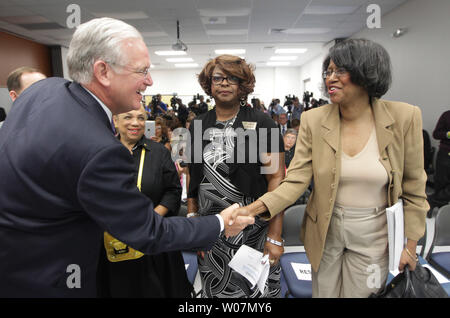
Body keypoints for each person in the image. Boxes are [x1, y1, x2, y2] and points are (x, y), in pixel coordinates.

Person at [0, 17, 253, 298]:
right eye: (142, 70)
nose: (150, 80)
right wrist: (220, 222)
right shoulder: (98, 150)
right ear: (103, 71)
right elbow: (148, 232)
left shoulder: (42, 91)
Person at [231, 39, 429, 298]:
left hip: (374, 233)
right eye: (328, 72)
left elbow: (414, 190)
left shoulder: (404, 117)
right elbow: (295, 182)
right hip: (324, 230)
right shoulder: (314, 119)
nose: (330, 79)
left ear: (366, 72)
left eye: (340, 71)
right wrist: (251, 209)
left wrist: (410, 247)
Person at [187, 54, 285, 298]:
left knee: (254, 297)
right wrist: (193, 220)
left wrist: (275, 236)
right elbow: (192, 179)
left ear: (243, 85)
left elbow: (277, 182)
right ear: (209, 84)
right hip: (212, 232)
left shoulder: (263, 124)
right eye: (217, 78)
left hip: (254, 231)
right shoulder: (198, 125)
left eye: (232, 78)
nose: (223, 83)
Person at [97, 105, 192, 297]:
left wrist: (153, 218)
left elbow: (173, 191)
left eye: (141, 118)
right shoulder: (102, 152)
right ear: (115, 120)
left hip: (154, 238)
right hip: (113, 241)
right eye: (128, 117)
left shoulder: (158, 152)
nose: (135, 123)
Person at [431, 110, 450, 206]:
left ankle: (433, 201)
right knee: (441, 182)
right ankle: (438, 208)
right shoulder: (446, 115)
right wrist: (447, 134)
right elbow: (435, 134)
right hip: (445, 155)